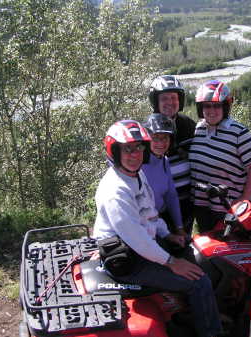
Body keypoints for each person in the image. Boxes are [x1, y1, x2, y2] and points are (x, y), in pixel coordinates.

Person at [93, 120, 222, 337]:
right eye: (127, 149)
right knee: (199, 281)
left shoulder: (135, 175)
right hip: (130, 259)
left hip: (144, 246)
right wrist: (172, 263)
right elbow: (137, 239)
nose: (135, 154)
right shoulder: (116, 191)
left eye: (139, 148)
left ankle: (191, 313)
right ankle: (211, 333)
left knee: (202, 256)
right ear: (114, 152)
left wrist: (168, 234)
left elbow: (150, 213)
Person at [189, 80, 251, 232]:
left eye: (217, 105)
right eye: (207, 106)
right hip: (201, 204)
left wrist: (244, 198)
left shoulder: (239, 132)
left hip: (227, 207)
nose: (211, 110)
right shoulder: (198, 129)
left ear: (225, 107)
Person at [149, 75, 196, 234]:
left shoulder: (188, 125)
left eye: (173, 97)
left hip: (187, 199)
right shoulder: (149, 128)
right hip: (160, 203)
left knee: (184, 240)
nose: (170, 102)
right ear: (156, 102)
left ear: (180, 100)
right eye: (164, 98)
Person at [142, 113, 185, 237]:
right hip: (144, 225)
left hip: (161, 220)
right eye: (155, 138)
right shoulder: (138, 164)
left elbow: (171, 196)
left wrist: (179, 227)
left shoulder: (164, 160)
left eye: (165, 137)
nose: (161, 143)